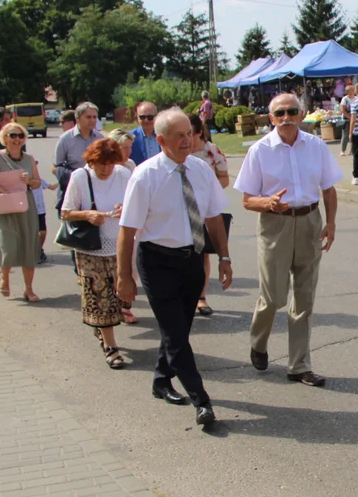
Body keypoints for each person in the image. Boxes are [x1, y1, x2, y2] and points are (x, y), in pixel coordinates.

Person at [116, 109, 232, 426]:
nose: (187, 140)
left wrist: (224, 257)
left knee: (178, 329)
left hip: (192, 259)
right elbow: (127, 230)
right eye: (179, 135)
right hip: (158, 262)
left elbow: (214, 217)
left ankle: (161, 379)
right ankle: (202, 401)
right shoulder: (145, 175)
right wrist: (124, 277)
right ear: (161, 140)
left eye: (189, 133)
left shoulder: (201, 170)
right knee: (177, 336)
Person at [236, 93, 341, 388]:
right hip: (275, 224)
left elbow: (329, 189)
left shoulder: (316, 146)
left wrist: (330, 223)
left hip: (309, 221)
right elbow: (246, 200)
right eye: (279, 112)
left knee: (304, 297)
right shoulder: (260, 151)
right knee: (274, 298)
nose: (286, 117)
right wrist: (267, 203)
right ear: (271, 118)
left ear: (302, 113)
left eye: (292, 111)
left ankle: (299, 365)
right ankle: (259, 342)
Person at [61, 138, 132, 370]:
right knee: (102, 298)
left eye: (110, 164)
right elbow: (66, 212)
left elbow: (137, 202)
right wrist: (89, 214)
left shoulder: (123, 174)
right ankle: (111, 347)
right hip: (91, 248)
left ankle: (100, 328)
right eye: (101, 164)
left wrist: (126, 208)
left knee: (122, 296)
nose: (106, 169)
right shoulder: (80, 177)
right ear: (92, 161)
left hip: (119, 244)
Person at [0, 122, 42, 302]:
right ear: (4, 138)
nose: (16, 139)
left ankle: (28, 289)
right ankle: (4, 277)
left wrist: (29, 180)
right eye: (12, 135)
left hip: (24, 204)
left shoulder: (29, 158)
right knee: (7, 244)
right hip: (4, 204)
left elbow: (37, 183)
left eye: (20, 136)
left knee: (27, 245)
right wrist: (4, 192)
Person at [189, 113, 230, 319]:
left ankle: (201, 296)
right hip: (181, 210)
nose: (184, 138)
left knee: (203, 252)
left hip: (205, 210)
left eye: (189, 132)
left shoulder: (211, 152)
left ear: (198, 132)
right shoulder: (174, 152)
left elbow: (224, 179)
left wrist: (207, 191)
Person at [53, 102, 103, 214]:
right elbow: (57, 167)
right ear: (78, 118)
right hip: (71, 187)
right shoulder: (65, 139)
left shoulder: (100, 138)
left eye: (94, 117)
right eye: (88, 117)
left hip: (95, 188)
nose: (92, 120)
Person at [129, 101, 161, 166]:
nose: (146, 120)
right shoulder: (130, 137)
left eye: (150, 117)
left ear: (156, 117)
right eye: (142, 117)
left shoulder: (165, 135)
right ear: (138, 118)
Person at [338, 84, 355, 157]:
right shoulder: (345, 99)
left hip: (354, 119)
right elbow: (343, 110)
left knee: (354, 135)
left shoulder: (356, 98)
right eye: (352, 90)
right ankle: (343, 150)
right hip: (346, 120)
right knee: (345, 135)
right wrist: (350, 117)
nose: (353, 91)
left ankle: (352, 150)